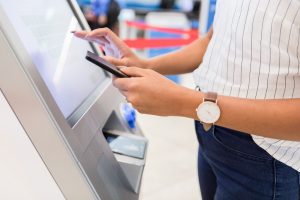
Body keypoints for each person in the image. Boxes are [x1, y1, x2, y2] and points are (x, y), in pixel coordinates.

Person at [74, 0, 300, 199]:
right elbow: (214, 38)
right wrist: (147, 65)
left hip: (268, 156)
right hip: (211, 134)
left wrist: (186, 103)